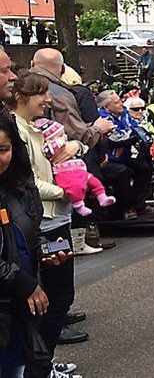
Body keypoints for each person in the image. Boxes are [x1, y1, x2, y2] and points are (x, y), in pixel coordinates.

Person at [11, 72, 84, 373]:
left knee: (56, 297)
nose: (48, 99)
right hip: (46, 221)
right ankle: (39, 368)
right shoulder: (18, 131)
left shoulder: (36, 127)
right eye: (41, 94)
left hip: (56, 218)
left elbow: (64, 153)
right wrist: (63, 191)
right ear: (22, 96)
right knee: (57, 297)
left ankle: (43, 363)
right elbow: (28, 181)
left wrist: (76, 149)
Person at [0, 114, 73, 378]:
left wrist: (43, 250)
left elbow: (23, 236)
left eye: (3, 150)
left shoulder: (17, 188)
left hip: (18, 311)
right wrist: (25, 283)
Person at [97, 90, 152, 220]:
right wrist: (134, 136)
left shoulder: (124, 113)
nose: (121, 103)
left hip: (124, 155)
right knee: (122, 172)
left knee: (144, 166)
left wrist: (138, 137)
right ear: (106, 107)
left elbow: (135, 128)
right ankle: (126, 208)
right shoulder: (102, 118)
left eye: (120, 100)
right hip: (107, 159)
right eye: (117, 102)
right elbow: (116, 139)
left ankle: (139, 204)